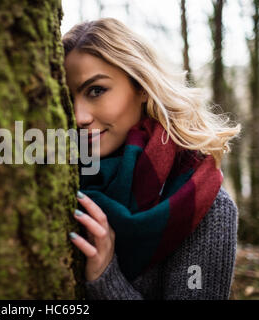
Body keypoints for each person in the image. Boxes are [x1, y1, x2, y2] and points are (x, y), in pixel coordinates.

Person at [62, 18, 241, 300]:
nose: (79, 117)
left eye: (96, 91)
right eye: (67, 99)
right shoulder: (56, 175)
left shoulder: (202, 202)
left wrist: (106, 278)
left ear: (142, 87)